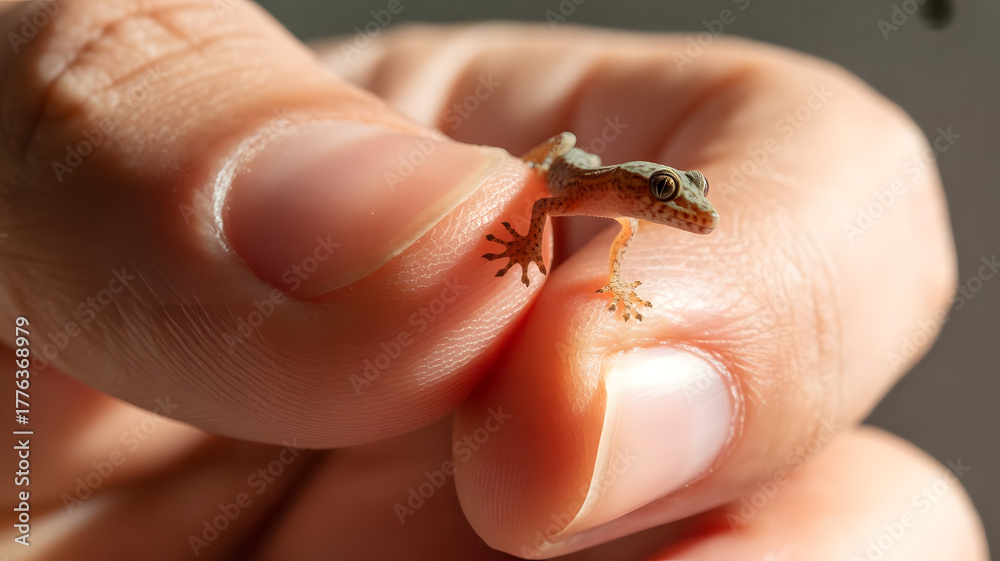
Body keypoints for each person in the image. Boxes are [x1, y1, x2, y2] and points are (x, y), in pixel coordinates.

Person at [0, 1, 987, 559]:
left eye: (670, 198)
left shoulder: (620, 211)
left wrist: (616, 292)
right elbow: (548, 208)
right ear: (633, 182)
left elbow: (606, 236)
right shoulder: (575, 186)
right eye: (664, 192)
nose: (670, 202)